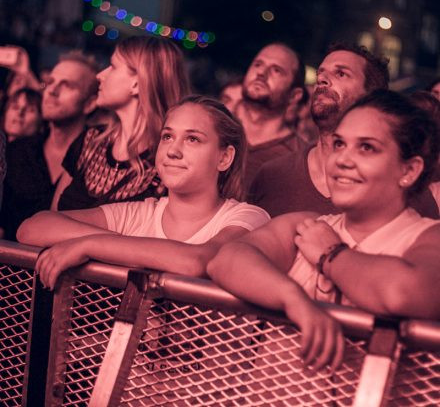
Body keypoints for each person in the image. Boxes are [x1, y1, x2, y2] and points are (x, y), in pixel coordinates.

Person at [18, 95, 343, 369]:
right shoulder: (139, 213)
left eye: (193, 139)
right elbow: (33, 227)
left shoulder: (246, 216)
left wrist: (89, 246)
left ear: (224, 157)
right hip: (129, 387)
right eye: (168, 137)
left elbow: (197, 261)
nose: (173, 150)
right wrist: (99, 244)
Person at [208, 89, 440, 324]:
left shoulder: (428, 236)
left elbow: (407, 293)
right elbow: (225, 261)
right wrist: (295, 300)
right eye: (339, 144)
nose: (342, 160)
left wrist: (331, 255)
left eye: (367, 148)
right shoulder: (305, 226)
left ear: (408, 170)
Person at [249, 43, 439, 219]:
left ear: (370, 96)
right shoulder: (273, 175)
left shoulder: (406, 190)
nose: (322, 79)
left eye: (341, 74)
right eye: (320, 74)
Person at [53, 36, 191, 211]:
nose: (100, 75)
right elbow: (52, 214)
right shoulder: (91, 140)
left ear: (137, 83)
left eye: (113, 66)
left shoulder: (168, 162)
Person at [0, 50, 99, 240]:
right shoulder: (18, 151)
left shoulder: (100, 164)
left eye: (67, 85)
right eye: (50, 82)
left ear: (90, 103)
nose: (52, 91)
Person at [235, 42, 308, 190]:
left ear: (294, 95)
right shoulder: (211, 129)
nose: (261, 73)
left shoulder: (300, 159)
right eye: (258, 64)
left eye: (276, 70)